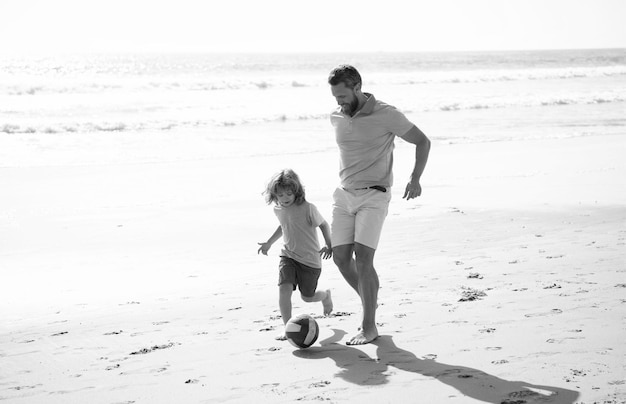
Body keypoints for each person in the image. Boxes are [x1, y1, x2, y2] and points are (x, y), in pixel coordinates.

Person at [327, 64, 431, 345]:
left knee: (363, 259)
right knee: (339, 258)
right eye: (335, 96)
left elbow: (422, 141)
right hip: (343, 194)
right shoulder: (336, 116)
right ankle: (369, 298)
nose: (338, 101)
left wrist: (415, 178)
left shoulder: (386, 114)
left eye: (342, 95)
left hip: (374, 195)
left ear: (357, 87)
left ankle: (369, 325)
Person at [258, 169, 334, 340]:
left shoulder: (308, 208)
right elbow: (284, 225)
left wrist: (329, 245)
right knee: (284, 289)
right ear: (274, 195)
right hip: (288, 256)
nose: (285, 198)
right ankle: (287, 328)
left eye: (289, 193)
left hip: (310, 261)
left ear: (296, 191)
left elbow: (323, 225)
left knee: (307, 297)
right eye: (280, 194)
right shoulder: (279, 209)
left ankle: (326, 296)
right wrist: (269, 242)